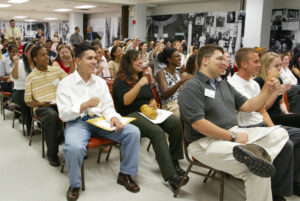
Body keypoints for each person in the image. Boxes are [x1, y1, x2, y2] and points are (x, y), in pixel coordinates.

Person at [178, 45, 289, 201]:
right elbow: (198, 124)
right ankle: (252, 153)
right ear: (205, 61)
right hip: (205, 142)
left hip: (235, 134)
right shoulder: (192, 87)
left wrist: (268, 91)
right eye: (219, 58)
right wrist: (232, 136)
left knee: (280, 133)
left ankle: (253, 154)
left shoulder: (224, 84)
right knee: (257, 170)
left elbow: (249, 106)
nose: (225, 62)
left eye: (225, 58)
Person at [56, 45, 141, 201]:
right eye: (89, 58)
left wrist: (114, 117)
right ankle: (75, 184)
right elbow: (64, 114)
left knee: (133, 132)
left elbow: (108, 107)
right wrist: (82, 106)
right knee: (73, 147)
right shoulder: (66, 84)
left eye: (95, 58)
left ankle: (125, 174)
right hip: (77, 122)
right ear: (78, 61)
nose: (94, 61)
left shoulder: (100, 82)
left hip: (100, 120)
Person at [228, 47, 300, 200]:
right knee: (286, 144)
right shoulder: (233, 84)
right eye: (256, 62)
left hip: (261, 124)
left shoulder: (254, 84)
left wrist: (273, 128)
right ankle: (277, 192)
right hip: (246, 128)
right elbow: (250, 107)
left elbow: (262, 111)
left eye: (259, 62)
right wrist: (270, 85)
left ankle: (294, 181)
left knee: (297, 136)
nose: (259, 65)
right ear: (243, 64)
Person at [113, 50, 189, 192]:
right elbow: (125, 101)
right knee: (157, 132)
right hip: (130, 114)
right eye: (136, 60)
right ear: (128, 64)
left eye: (141, 59)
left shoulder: (142, 77)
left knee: (174, 122)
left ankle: (174, 161)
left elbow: (149, 96)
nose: (141, 62)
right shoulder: (120, 81)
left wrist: (152, 101)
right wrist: (140, 84)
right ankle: (171, 176)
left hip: (147, 112)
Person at [25, 45, 67, 167]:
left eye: (47, 54)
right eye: (42, 55)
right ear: (35, 59)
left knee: (75, 111)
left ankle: (73, 146)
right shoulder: (31, 77)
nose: (46, 57)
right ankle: (52, 153)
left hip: (59, 103)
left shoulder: (56, 71)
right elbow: (28, 101)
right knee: (52, 115)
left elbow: (70, 81)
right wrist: (41, 103)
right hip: (42, 107)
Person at [255, 52, 300, 128]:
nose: (279, 68)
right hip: (269, 117)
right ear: (266, 67)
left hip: (279, 115)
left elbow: (281, 102)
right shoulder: (259, 82)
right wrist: (276, 92)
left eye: (280, 65)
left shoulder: (278, 79)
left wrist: (286, 112)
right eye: (276, 66)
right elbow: (264, 108)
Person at [156, 48, 192, 118]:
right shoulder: (161, 73)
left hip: (180, 102)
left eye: (180, 56)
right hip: (169, 106)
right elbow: (165, 94)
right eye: (177, 56)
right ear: (169, 59)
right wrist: (181, 81)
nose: (180, 58)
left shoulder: (177, 73)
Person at [10, 42, 35, 136]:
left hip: (34, 91)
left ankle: (41, 125)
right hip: (20, 91)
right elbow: (14, 78)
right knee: (27, 102)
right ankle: (29, 126)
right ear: (25, 53)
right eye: (31, 50)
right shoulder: (20, 63)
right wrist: (15, 65)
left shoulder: (38, 63)